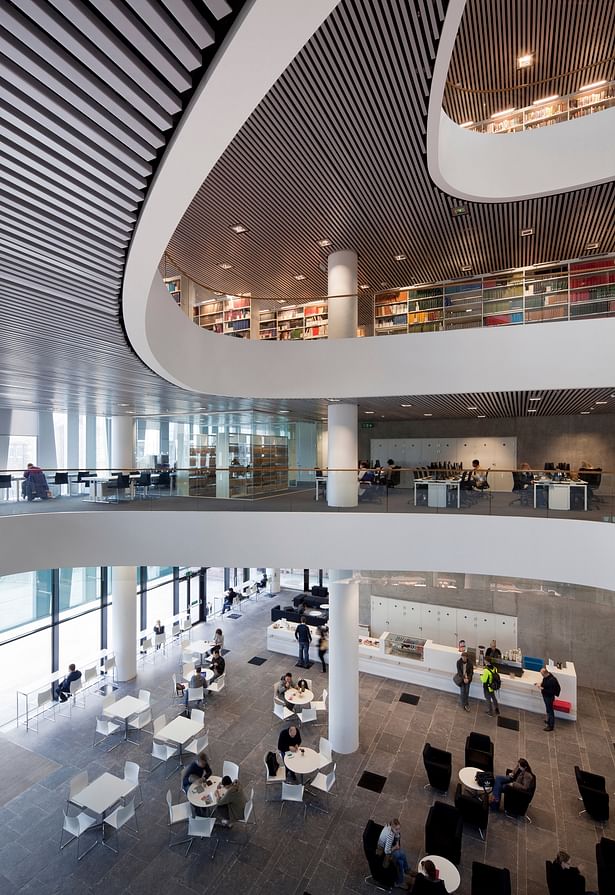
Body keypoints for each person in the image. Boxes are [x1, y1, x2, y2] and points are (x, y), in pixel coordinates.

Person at [377, 818, 411, 889]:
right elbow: (387, 851)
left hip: (389, 845)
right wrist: (395, 847)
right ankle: (400, 881)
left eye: (399, 828)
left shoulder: (391, 827)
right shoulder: (390, 835)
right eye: (397, 829)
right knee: (400, 862)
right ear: (392, 828)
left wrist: (397, 843)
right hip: (383, 851)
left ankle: (406, 870)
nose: (398, 831)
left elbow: (397, 835)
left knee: (401, 854)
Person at [536, 666, 561, 731]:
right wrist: (541, 684)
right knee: (548, 709)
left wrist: (542, 688)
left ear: (544, 673)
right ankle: (549, 721)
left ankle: (551, 726)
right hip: (546, 696)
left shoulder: (552, 681)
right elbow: (544, 682)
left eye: (542, 674)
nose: (541, 675)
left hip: (549, 697)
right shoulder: (547, 677)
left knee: (550, 711)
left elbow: (551, 691)